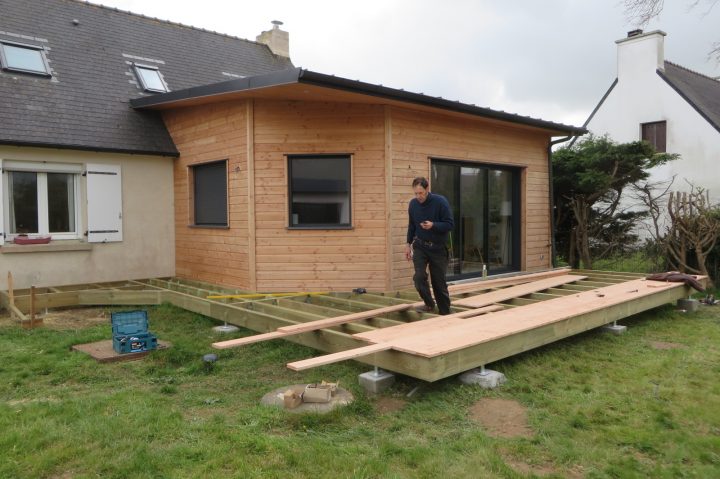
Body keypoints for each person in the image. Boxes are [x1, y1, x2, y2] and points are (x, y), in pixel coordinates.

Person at [405, 177, 454, 315]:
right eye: (415, 193)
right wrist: (408, 244)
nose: (418, 196)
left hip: (438, 248)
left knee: (439, 283)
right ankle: (429, 303)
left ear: (427, 189)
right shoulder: (413, 204)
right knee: (419, 277)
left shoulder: (440, 202)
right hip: (420, 246)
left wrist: (434, 225)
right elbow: (412, 226)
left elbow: (450, 224)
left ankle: (445, 312)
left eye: (420, 193)